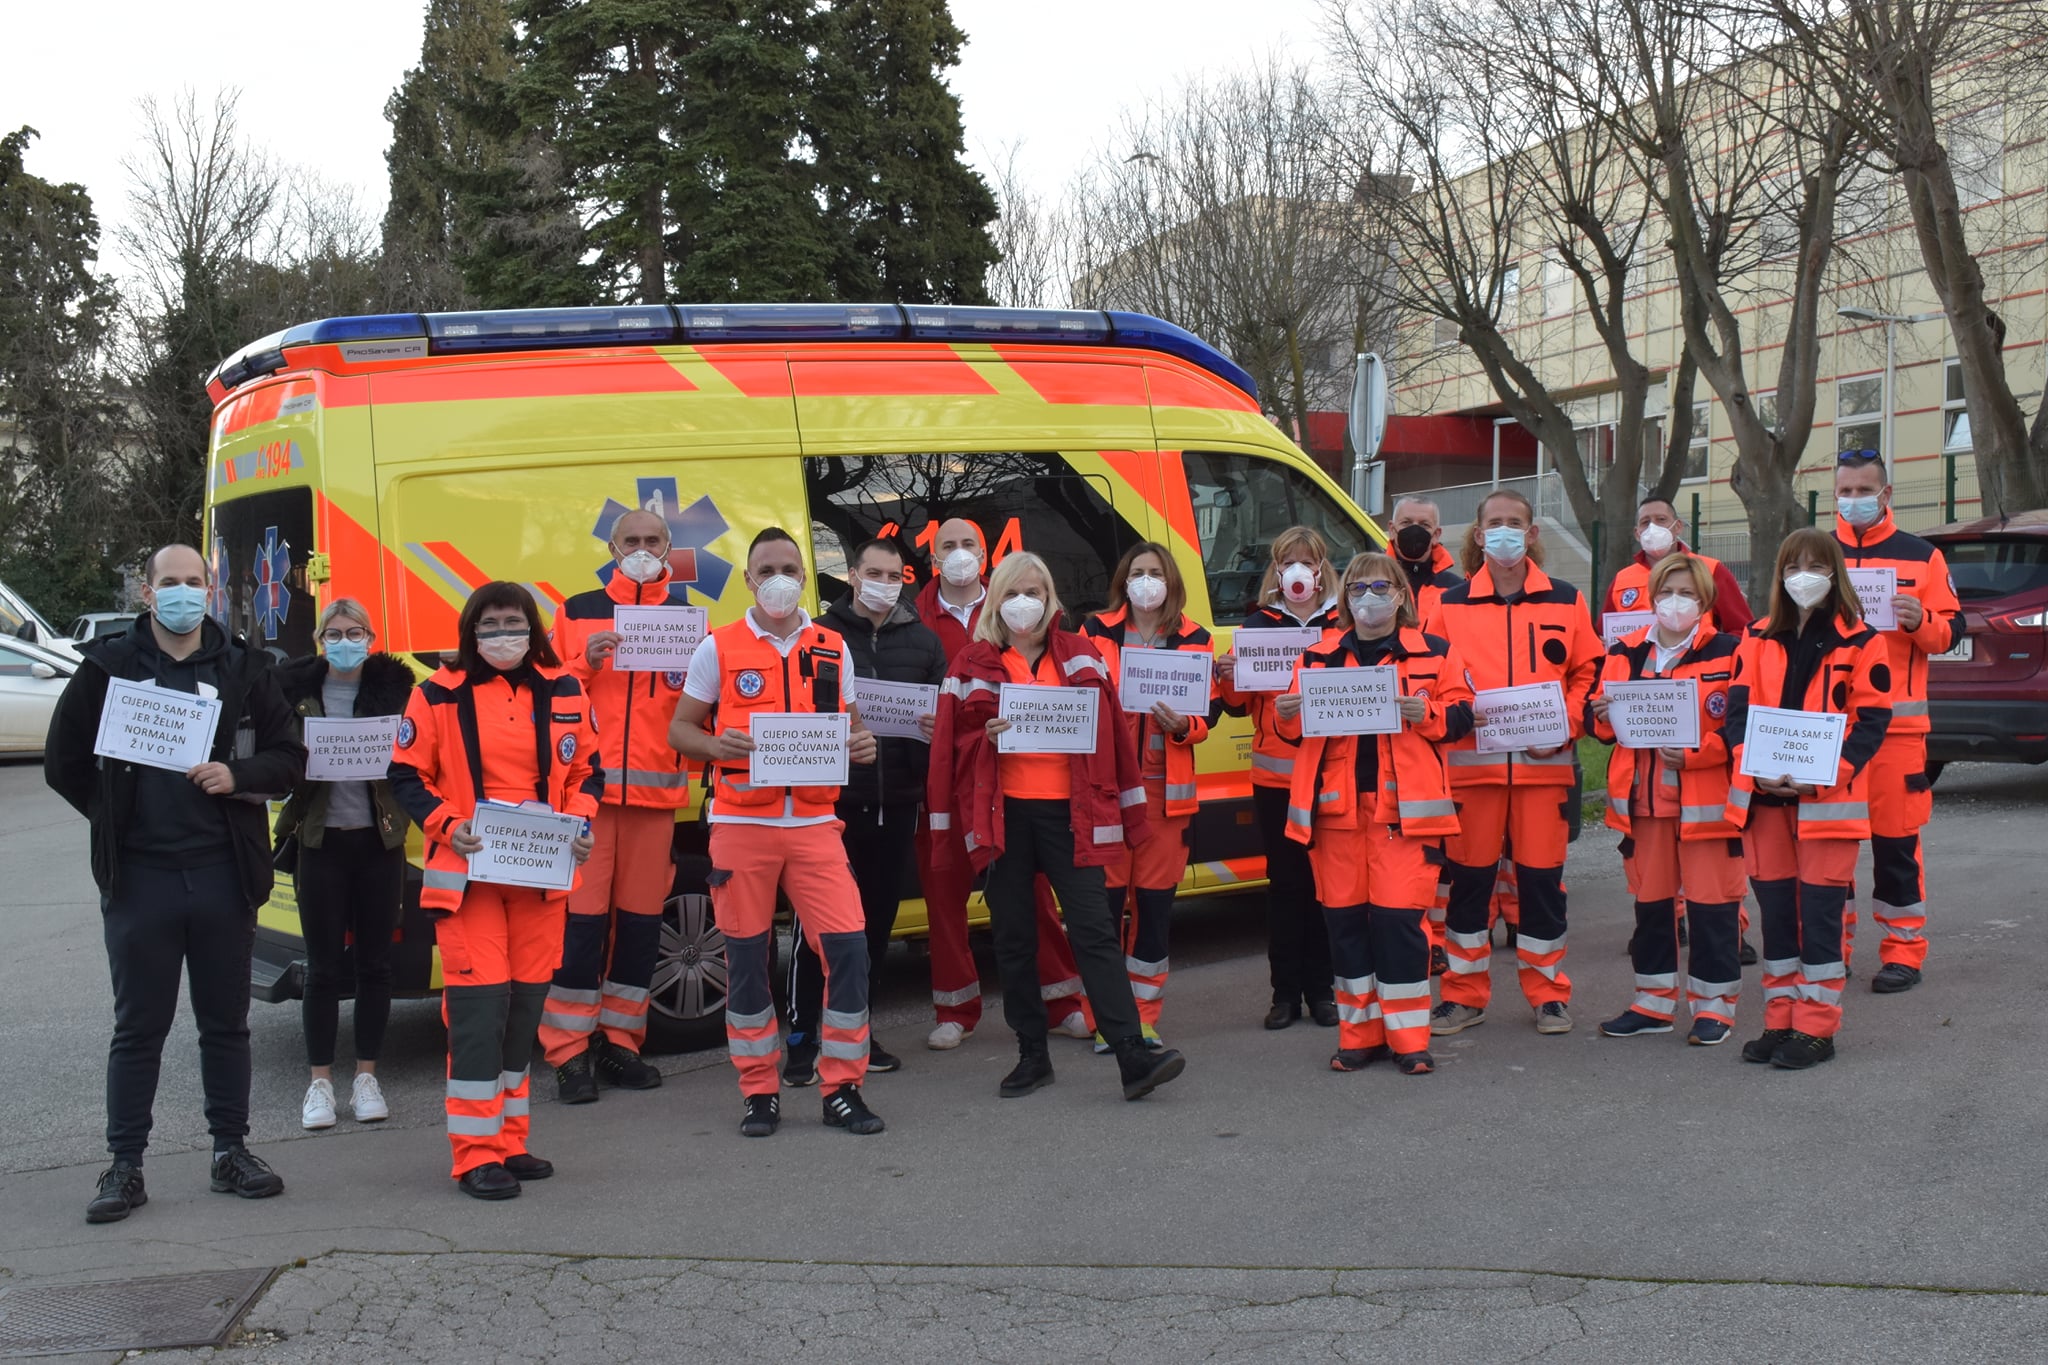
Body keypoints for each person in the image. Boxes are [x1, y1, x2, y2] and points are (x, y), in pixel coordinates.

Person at [45, 544, 304, 1224]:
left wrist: (237, 777)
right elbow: (64, 761)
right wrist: (115, 818)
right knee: (139, 1028)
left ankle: (231, 1151)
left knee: (227, 1025)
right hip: (141, 879)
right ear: (147, 592)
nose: (183, 592)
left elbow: (290, 756)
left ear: (211, 589)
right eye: (170, 583)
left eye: (195, 581)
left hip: (223, 873)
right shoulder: (110, 666)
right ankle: (124, 1164)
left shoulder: (247, 669)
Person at [928, 551, 1187, 1102]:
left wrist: (1129, 813)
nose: (1027, 603)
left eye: (1037, 592)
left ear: (1051, 601)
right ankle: (1031, 1055)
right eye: (1015, 593)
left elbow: (1115, 738)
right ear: (997, 600)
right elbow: (949, 749)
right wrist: (986, 740)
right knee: (1015, 939)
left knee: (1093, 932)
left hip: (1074, 815)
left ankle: (1131, 1055)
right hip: (1002, 820)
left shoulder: (1081, 654)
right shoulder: (970, 663)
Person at [669, 528, 885, 1138]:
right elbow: (680, 730)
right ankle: (759, 1090)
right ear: (748, 579)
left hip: (817, 824)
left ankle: (842, 1087)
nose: (779, 578)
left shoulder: (831, 646)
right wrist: (715, 743)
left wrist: (862, 744)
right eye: (767, 569)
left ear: (806, 577)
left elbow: (850, 726)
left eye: (790, 567)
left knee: (847, 951)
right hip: (742, 824)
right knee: (745, 962)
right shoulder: (718, 647)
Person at [388, 582, 601, 1199]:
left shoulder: (565, 689)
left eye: (514, 623)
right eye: (491, 625)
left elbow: (589, 770)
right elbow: (406, 776)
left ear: (534, 630)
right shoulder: (435, 694)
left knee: (523, 1015)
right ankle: (474, 1153)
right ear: (470, 632)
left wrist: (580, 823)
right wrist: (448, 827)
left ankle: (510, 1141)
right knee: (479, 1016)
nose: (503, 635)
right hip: (470, 879)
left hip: (541, 882)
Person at [1275, 551, 1472, 1075]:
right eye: (1358, 589)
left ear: (1402, 596)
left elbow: (1462, 716)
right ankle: (1358, 1035)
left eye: (1380, 588)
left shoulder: (1434, 653)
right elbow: (1293, 732)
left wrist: (1426, 712)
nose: (1369, 598)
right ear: (1344, 599)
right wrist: (1284, 715)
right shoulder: (1318, 658)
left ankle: (1409, 1040)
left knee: (1400, 926)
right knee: (1345, 929)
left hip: (1404, 819)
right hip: (1335, 817)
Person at [1424, 489, 1604, 1037]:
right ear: (1479, 537)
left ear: (1531, 535)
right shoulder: (1448, 605)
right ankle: (1462, 995)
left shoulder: (1566, 599)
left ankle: (1549, 995)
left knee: (1542, 890)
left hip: (1541, 773)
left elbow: (1588, 673)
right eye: (1494, 524)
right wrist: (1457, 714)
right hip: (1472, 773)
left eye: (1516, 523)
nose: (1505, 532)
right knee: (1469, 891)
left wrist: (1564, 725)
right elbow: (1431, 678)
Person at [913, 516, 1095, 1048]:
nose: (960, 552)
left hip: (1010, 782)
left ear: (987, 553)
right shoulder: (915, 619)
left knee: (1033, 896)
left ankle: (1062, 1002)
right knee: (944, 896)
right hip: (947, 778)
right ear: (933, 557)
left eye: (969, 543)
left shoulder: (1013, 611)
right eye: (948, 545)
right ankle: (955, 1011)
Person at [538, 509, 694, 1103]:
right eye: (631, 540)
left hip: (656, 801)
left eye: (653, 541)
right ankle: (568, 1052)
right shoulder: (576, 611)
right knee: (577, 929)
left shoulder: (687, 621)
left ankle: (621, 1043)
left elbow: (701, 706)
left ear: (669, 549)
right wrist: (585, 665)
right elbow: (542, 690)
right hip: (587, 799)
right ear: (611, 545)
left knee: (636, 931)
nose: (642, 549)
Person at [1722, 529, 1892, 1069]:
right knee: (1776, 918)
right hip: (1765, 800)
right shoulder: (1755, 637)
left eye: (1816, 564)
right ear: (1779, 574)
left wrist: (1823, 777)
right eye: (1793, 565)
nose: (1803, 575)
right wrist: (1755, 764)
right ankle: (1780, 1020)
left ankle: (1817, 1028)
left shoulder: (1863, 640)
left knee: (1818, 919)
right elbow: (1736, 712)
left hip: (1827, 804)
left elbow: (1872, 722)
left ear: (1835, 572)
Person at [782, 537, 948, 1084]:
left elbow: (941, 716)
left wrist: (934, 730)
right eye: (870, 572)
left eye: (892, 574)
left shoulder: (923, 642)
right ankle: (804, 1039)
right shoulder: (821, 637)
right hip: (833, 803)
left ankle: (858, 1032)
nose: (882, 582)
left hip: (897, 800)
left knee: (873, 927)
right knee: (819, 930)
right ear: (852, 575)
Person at [1587, 555, 1746, 1046]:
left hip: (1707, 806)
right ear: (1652, 596)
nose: (1674, 602)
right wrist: (1603, 714)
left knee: (1712, 909)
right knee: (1652, 909)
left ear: (1705, 600)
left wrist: (1700, 754)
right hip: (1644, 805)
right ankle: (1652, 1004)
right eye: (1665, 592)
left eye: (1687, 594)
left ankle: (1714, 1009)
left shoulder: (1730, 652)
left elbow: (1742, 728)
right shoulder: (1624, 652)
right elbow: (1603, 729)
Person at [274, 599, 415, 1128]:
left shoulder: (396, 694)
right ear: (320, 640)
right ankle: (319, 1084)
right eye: (334, 633)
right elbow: (277, 758)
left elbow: (416, 757)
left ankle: (366, 1077)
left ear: (372, 636)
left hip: (379, 844)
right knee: (324, 968)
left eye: (355, 631)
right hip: (321, 844)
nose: (345, 641)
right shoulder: (296, 695)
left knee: (376, 964)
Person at [1831, 449, 1964, 993]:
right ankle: (1828, 947)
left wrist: (1921, 620)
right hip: (1829, 729)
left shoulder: (1922, 556)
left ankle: (1903, 951)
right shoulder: (1819, 555)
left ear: (1886, 495)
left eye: (1865, 491)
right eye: (1846, 490)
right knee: (1829, 845)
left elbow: (1953, 633)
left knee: (1896, 845)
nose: (1854, 500)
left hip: (1897, 733)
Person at [1081, 541, 1216, 1050]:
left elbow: (1210, 714)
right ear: (1123, 580)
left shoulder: (1195, 638)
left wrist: (1186, 725)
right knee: (1104, 913)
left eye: (1155, 572)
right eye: (1137, 571)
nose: (1146, 581)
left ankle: (1142, 1015)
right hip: (1106, 794)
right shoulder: (1093, 632)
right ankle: (1105, 1017)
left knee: (1154, 915)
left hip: (1164, 800)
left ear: (1171, 581)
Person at [1213, 526, 1343, 1030]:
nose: (1298, 569)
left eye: (1307, 560)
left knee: (1324, 887)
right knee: (1284, 887)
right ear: (1277, 567)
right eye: (1287, 559)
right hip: (1273, 780)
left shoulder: (1341, 623)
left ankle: (1324, 991)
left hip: (1329, 775)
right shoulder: (1257, 626)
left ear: (1320, 568)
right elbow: (1239, 706)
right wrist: (1228, 677)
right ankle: (1284, 994)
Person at [1602, 498, 1754, 635]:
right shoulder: (1622, 579)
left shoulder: (1711, 570)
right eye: (1645, 522)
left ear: (1678, 526)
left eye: (1661, 519)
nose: (1653, 527)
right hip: (1635, 664)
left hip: (1698, 663)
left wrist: (1716, 653)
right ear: (1637, 533)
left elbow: (1742, 630)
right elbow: (1603, 634)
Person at [1389, 496, 1465, 620]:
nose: (1414, 530)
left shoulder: (1456, 588)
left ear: (1436, 535)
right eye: (1406, 523)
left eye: (1424, 525)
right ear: (1392, 530)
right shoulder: (1371, 583)